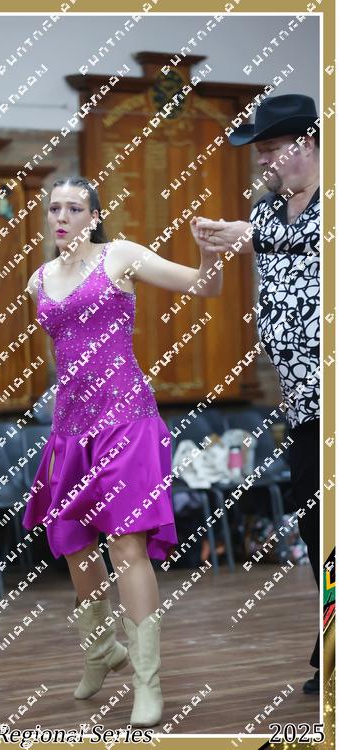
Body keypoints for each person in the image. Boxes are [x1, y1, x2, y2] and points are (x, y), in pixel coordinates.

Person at [23, 175, 223, 726]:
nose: (61, 217)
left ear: (93, 216)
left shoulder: (120, 256)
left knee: (126, 546)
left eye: (74, 208)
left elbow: (204, 288)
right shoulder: (39, 279)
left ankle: (146, 680)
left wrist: (209, 256)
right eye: (54, 208)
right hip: (70, 427)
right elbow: (64, 355)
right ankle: (100, 650)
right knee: (73, 545)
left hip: (126, 420)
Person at [191, 94, 321, 695]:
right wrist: (223, 237)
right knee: (316, 525)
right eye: (260, 151)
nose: (263, 161)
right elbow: (254, 240)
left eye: (270, 148)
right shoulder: (267, 212)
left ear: (307, 143)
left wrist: (248, 235)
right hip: (302, 407)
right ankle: (332, 636)